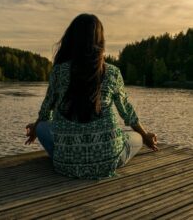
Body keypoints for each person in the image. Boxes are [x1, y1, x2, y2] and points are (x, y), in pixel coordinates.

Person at [25, 13, 158, 180]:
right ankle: (128, 141)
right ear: (100, 41)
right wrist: (145, 136)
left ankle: (67, 152)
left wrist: (36, 128)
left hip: (66, 164)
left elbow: (46, 110)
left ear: (71, 40)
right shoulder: (112, 72)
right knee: (136, 137)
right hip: (108, 161)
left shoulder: (59, 71)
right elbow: (127, 113)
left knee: (43, 126)